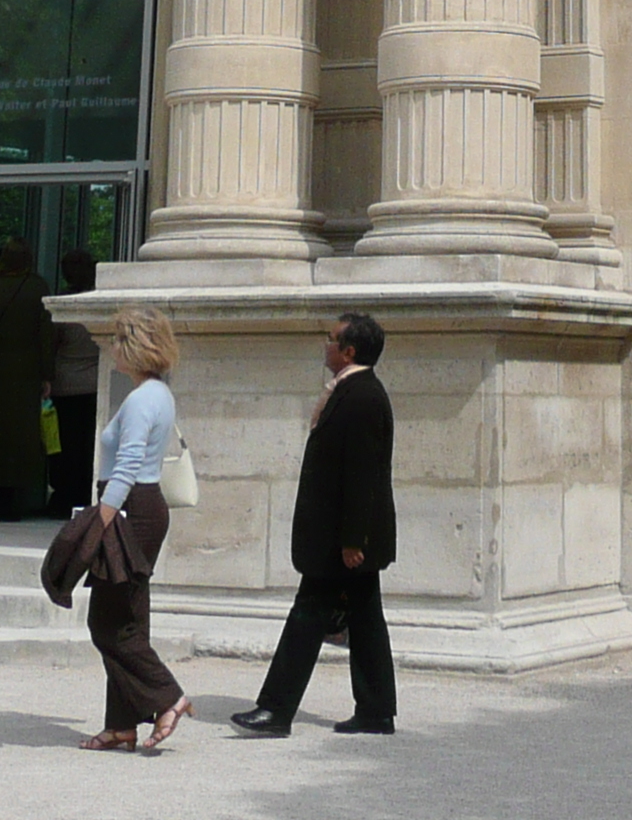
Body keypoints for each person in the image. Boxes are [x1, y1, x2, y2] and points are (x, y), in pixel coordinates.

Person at [233, 312, 398, 738]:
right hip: (339, 537)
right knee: (364, 620)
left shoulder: (362, 397)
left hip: (341, 541)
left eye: (331, 339)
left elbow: (363, 475)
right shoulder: (352, 391)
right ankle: (376, 710)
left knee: (308, 615)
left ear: (349, 351)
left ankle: (276, 709)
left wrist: (352, 540)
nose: (324, 345)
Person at [81, 306, 192, 751]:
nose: (110, 348)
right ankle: (122, 723)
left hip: (129, 507)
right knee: (128, 617)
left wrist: (97, 524)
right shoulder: (157, 393)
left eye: (116, 339)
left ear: (132, 346)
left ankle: (169, 696)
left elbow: (126, 467)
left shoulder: (143, 398)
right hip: (142, 507)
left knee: (107, 621)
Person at [0, 240, 57, 521]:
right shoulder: (37, 288)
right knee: (23, 436)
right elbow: (46, 332)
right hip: (27, 370)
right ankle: (21, 501)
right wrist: (47, 373)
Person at [46, 250, 102, 519]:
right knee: (88, 444)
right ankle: (83, 493)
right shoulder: (99, 305)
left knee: (62, 446)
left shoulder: (63, 305)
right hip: (92, 384)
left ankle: (63, 495)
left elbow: (52, 344)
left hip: (65, 384)